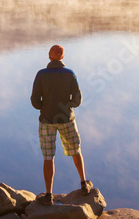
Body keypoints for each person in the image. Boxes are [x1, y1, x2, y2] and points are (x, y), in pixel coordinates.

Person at [30, 44, 92, 203]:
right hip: (66, 119)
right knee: (76, 150)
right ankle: (84, 184)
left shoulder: (41, 75)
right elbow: (77, 100)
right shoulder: (69, 74)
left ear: (49, 56)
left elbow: (35, 101)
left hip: (46, 120)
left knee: (48, 157)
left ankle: (49, 195)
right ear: (62, 57)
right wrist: (68, 105)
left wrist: (45, 106)